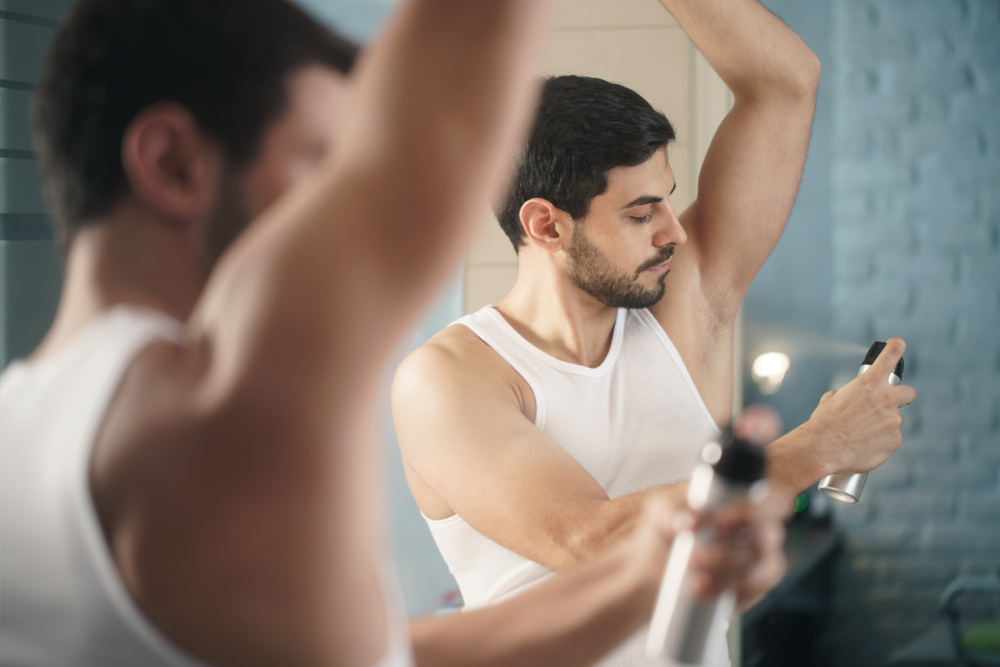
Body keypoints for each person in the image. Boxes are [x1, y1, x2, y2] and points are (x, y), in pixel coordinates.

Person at [0, 1, 787, 667]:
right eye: (317, 162)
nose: (335, 200)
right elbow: (443, 102)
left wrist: (652, 566)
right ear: (172, 165)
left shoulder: (24, 428)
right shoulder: (203, 419)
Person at [391, 0, 917, 664]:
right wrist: (817, 447)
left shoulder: (687, 302)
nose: (674, 230)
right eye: (642, 213)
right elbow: (590, 539)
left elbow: (786, 83)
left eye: (667, 197)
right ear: (547, 226)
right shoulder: (449, 376)